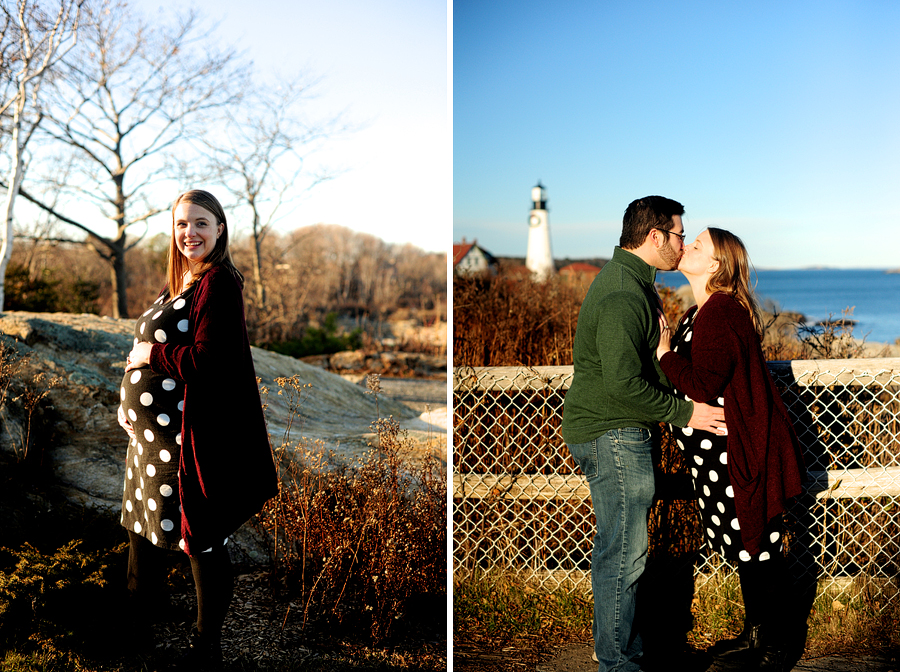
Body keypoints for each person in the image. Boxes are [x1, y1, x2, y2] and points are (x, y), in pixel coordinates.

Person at [561, 196, 726, 672]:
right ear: (654, 237)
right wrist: (685, 413)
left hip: (614, 429)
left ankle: (618, 649)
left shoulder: (634, 284)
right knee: (625, 553)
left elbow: (636, 369)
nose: (681, 243)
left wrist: (667, 354)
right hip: (612, 431)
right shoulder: (622, 294)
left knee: (620, 546)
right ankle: (616, 661)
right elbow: (622, 384)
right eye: (678, 234)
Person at [118, 189, 278, 670]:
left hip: (186, 441)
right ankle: (137, 633)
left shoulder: (219, 284)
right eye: (182, 223)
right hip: (150, 441)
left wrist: (150, 357)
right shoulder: (182, 281)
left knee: (201, 541)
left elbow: (210, 362)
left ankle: (205, 648)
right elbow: (148, 346)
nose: (190, 232)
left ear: (220, 229)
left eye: (201, 223)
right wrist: (126, 397)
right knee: (143, 535)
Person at [656, 227, 805, 672]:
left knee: (756, 545)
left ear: (717, 265)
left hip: (734, 452)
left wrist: (664, 353)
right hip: (714, 457)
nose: (687, 247)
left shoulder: (720, 312)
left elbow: (703, 383)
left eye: (697, 245)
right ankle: (755, 635)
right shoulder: (700, 311)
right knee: (746, 545)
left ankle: (775, 649)